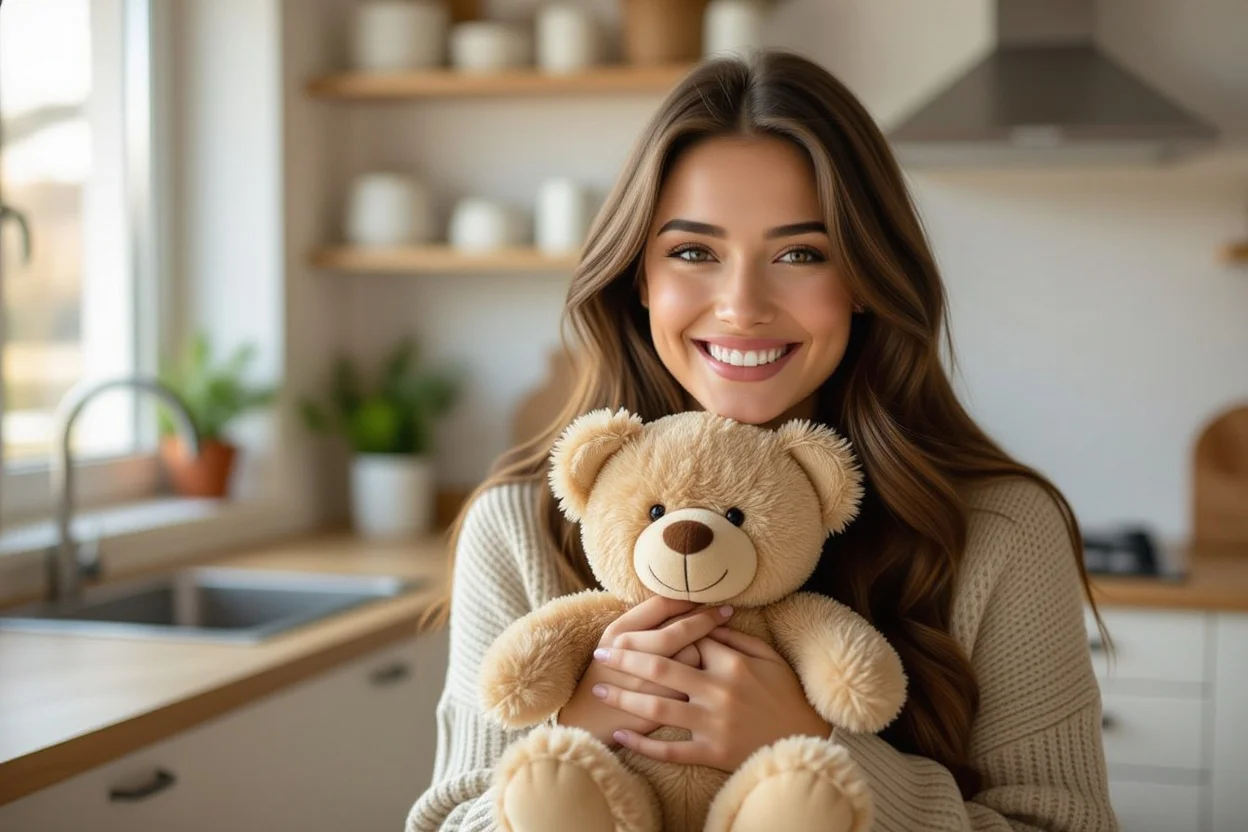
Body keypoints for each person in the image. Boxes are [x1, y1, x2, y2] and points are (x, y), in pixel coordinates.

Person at [407, 50, 1116, 832]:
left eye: (801, 254)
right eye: (693, 252)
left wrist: (818, 750)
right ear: (640, 276)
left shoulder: (999, 529)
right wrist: (573, 733)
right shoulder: (519, 525)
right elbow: (444, 820)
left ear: (865, 279)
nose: (741, 306)